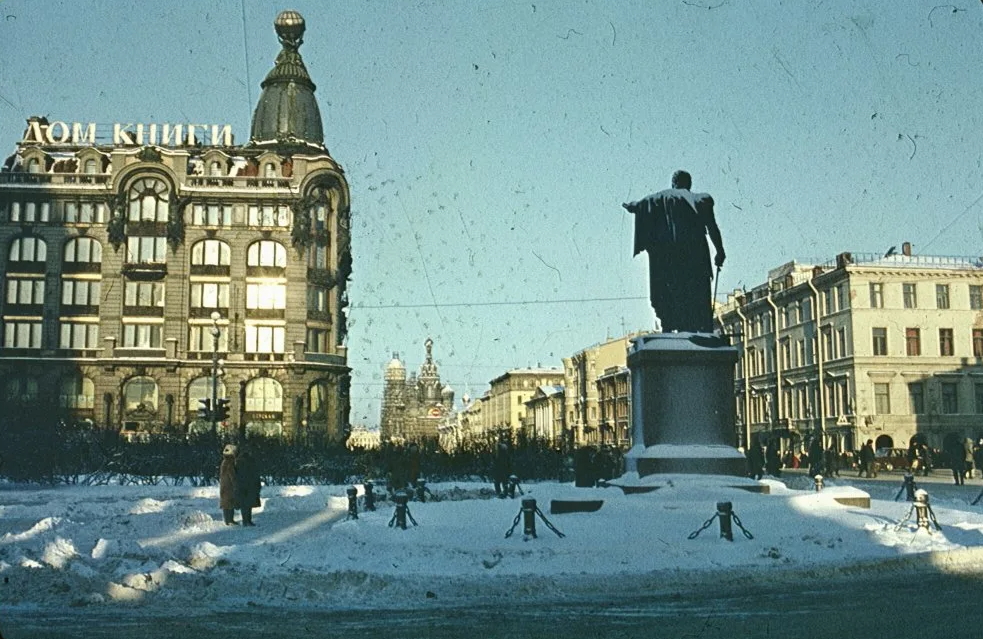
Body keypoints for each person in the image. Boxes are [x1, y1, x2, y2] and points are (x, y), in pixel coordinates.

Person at [623, 170, 726, 333]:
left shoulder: (660, 197)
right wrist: (720, 251)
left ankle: (669, 326)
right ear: (689, 184)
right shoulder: (701, 200)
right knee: (696, 296)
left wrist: (631, 206)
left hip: (667, 260)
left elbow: (640, 205)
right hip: (695, 258)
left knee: (667, 293)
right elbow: (712, 227)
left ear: (673, 183)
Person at [235, 445, 262, 525]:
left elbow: (236, 474)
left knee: (243, 504)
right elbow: (255, 473)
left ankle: (244, 520)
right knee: (249, 504)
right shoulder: (251, 461)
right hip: (250, 485)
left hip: (241, 485)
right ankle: (248, 520)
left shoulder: (238, 462)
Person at [219, 444, 238, 525]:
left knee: (226, 503)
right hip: (229, 486)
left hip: (224, 485)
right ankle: (229, 520)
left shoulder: (224, 461)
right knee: (230, 503)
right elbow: (232, 475)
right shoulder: (230, 462)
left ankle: (228, 520)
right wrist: (236, 484)